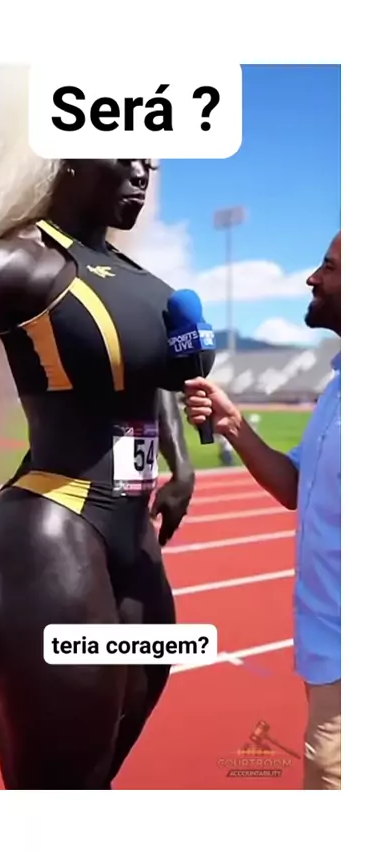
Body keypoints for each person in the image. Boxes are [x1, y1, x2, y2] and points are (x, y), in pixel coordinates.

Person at [0, 66, 215, 789]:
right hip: (52, 534)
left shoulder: (140, 279)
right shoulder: (13, 262)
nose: (142, 171)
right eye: (125, 152)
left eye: (151, 158)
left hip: (136, 546)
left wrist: (180, 462)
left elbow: (147, 378)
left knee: (97, 781)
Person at [184, 232, 341, 790]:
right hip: (325, 652)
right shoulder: (341, 387)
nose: (312, 278)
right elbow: (295, 485)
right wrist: (233, 426)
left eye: (329, 267)